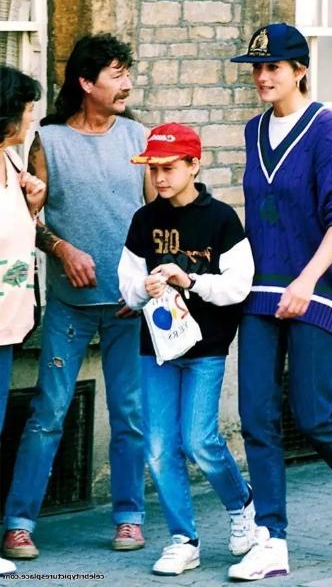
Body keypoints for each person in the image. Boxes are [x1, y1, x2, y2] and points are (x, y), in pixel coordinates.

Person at [227, 23, 332, 581]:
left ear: (300, 70)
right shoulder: (253, 131)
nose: (262, 76)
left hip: (316, 288)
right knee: (256, 416)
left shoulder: (326, 129)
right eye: (257, 68)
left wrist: (305, 282)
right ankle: (271, 540)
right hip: (260, 292)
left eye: (273, 67)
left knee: (313, 412)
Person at [2, 34, 153, 561]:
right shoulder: (48, 140)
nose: (126, 84)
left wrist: (147, 282)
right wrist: (62, 248)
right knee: (48, 412)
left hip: (129, 306)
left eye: (127, 72)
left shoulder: (139, 136)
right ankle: (18, 524)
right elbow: (28, 219)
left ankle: (130, 517)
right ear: (86, 83)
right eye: (116, 74)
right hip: (69, 306)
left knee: (130, 414)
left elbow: (156, 217)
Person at [118, 123, 256, 576]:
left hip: (206, 348)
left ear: (194, 165)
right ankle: (183, 540)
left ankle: (242, 505)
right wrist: (144, 287)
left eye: (169, 168)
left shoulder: (221, 219)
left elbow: (239, 286)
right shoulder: (144, 220)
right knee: (158, 448)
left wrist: (190, 279)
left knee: (199, 440)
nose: (159, 177)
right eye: (153, 169)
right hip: (157, 349)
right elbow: (126, 284)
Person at [0, 64, 46, 575]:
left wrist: (32, 205)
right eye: (27, 109)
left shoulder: (12, 162)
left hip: (8, 326)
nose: (31, 117)